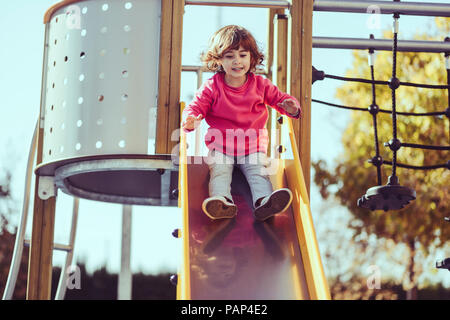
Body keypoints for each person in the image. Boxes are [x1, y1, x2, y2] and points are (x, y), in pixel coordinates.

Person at [182, 25, 301, 221]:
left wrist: (290, 106)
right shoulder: (212, 86)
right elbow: (196, 107)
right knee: (219, 170)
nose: (237, 61)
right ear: (219, 60)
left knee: (259, 173)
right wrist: (191, 120)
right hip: (221, 146)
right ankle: (221, 202)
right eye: (229, 56)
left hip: (252, 146)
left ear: (252, 58)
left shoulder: (261, 85)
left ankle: (264, 202)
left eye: (243, 55)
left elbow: (280, 99)